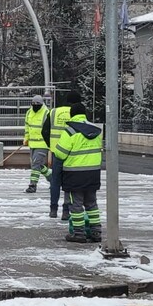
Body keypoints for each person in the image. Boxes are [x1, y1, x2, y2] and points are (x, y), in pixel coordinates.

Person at [52, 101, 104, 243]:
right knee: (92, 204)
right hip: (93, 173)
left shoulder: (70, 131)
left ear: (72, 114)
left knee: (76, 205)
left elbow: (60, 154)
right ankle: (96, 232)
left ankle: (78, 233)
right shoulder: (95, 131)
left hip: (75, 174)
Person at [42, 92, 82, 220]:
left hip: (56, 152)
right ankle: (66, 210)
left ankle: (53, 210)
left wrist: (51, 145)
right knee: (69, 182)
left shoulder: (53, 112)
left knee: (55, 181)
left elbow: (45, 131)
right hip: (72, 153)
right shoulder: (76, 114)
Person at [23, 94, 52, 194]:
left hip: (43, 143)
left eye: (37, 104)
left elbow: (48, 129)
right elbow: (27, 127)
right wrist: (26, 139)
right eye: (33, 104)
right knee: (37, 165)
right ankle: (53, 179)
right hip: (32, 143)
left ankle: (32, 185)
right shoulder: (29, 113)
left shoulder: (46, 113)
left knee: (35, 164)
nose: (35, 106)